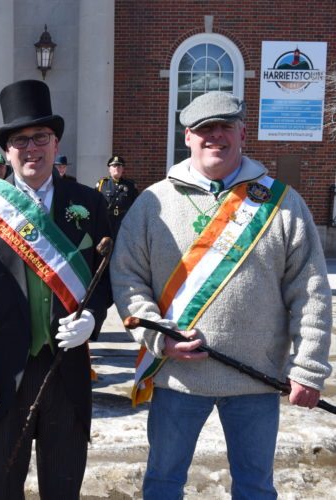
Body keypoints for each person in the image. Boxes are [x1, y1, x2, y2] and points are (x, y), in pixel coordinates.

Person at [110, 91, 333, 499]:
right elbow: (128, 279)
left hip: (256, 380)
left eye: (225, 127)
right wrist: (157, 335)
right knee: (162, 486)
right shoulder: (152, 204)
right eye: (204, 129)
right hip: (178, 379)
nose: (215, 136)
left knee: (255, 489)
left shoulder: (283, 204)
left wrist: (308, 368)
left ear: (242, 134)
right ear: (188, 137)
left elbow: (312, 292)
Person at [0, 80, 113, 499]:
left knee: (63, 488)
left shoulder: (89, 203)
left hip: (66, 370)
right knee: (4, 489)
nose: (31, 148)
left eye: (40, 137)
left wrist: (93, 317)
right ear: (7, 151)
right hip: (2, 373)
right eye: (20, 140)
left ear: (56, 143)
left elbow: (105, 278)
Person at [95, 155, 138, 235]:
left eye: (119, 166)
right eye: (114, 166)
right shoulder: (102, 184)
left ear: (122, 169)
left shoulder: (130, 185)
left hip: (124, 222)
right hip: (107, 222)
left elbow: (135, 205)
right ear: (109, 169)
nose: (117, 168)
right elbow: (95, 204)